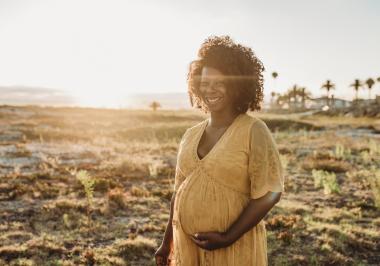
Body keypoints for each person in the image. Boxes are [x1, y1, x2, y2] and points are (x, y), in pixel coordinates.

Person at [155, 35, 285, 266]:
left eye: (219, 83)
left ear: (236, 86)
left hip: (235, 250)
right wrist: (168, 243)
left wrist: (228, 237)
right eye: (204, 83)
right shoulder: (190, 135)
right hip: (188, 248)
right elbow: (179, 193)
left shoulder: (253, 130)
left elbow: (269, 194)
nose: (210, 90)